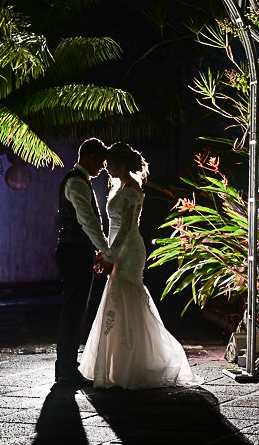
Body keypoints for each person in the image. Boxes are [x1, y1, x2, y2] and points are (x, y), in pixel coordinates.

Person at [79, 142, 203, 389]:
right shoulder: (120, 186)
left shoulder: (133, 190)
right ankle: (119, 364)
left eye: (110, 163)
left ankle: (136, 362)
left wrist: (110, 256)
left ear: (122, 165)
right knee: (117, 301)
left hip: (129, 250)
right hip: (117, 248)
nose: (107, 167)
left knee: (128, 298)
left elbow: (125, 228)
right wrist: (106, 252)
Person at [54, 138, 111, 385]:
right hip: (74, 250)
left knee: (76, 310)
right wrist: (105, 249)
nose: (102, 167)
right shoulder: (76, 183)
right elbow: (88, 221)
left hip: (77, 250)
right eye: (100, 161)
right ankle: (66, 369)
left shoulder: (79, 181)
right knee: (74, 311)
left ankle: (67, 368)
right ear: (90, 158)